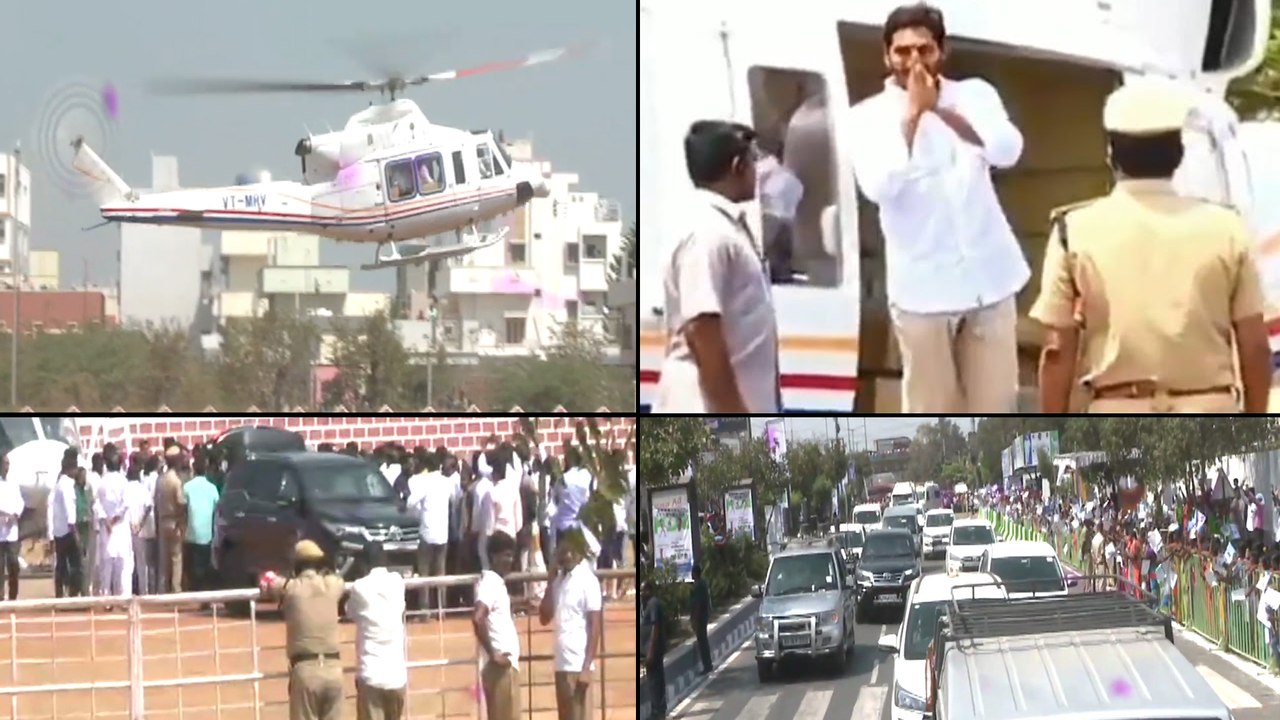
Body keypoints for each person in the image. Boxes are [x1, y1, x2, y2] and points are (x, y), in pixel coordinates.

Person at [1030, 78, 1271, 413]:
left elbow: (1057, 350)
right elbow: (1255, 345)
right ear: (1179, 154)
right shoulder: (1226, 227)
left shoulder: (1074, 230)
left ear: (1111, 155)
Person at [847, 3, 1028, 412]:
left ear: (941, 52)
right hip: (923, 294)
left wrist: (940, 110)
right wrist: (912, 115)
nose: (913, 61)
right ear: (886, 56)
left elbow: (1008, 150)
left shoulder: (975, 95)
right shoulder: (866, 117)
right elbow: (878, 185)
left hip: (990, 281)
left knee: (997, 411)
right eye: (903, 52)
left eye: (924, 50)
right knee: (934, 419)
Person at [654, 119, 780, 413]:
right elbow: (702, 329)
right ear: (738, 166)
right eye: (753, 160)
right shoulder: (707, 232)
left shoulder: (724, 225)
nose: (757, 171)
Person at [261, 540, 346, 720]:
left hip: (305, 670)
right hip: (334, 669)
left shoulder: (291, 589)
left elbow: (270, 581)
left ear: (296, 565)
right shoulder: (332, 585)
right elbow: (339, 579)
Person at [538, 527, 603, 720]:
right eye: (562, 551)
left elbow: (595, 626)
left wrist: (586, 667)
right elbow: (544, 617)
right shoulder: (559, 581)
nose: (566, 556)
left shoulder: (588, 581)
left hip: (578, 666)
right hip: (561, 665)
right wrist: (550, 582)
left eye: (569, 551)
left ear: (579, 550)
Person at [346, 541, 407, 720]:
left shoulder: (360, 587)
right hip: (396, 676)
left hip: (371, 673)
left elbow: (350, 611)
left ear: (364, 563)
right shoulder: (397, 582)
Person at [473, 531, 522, 720]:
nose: (510, 560)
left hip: (501, 667)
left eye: (511, 555)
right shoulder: (491, 582)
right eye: (506, 555)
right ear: (493, 556)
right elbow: (478, 618)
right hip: (501, 668)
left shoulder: (495, 583)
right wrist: (494, 653)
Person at [406, 452, 458, 616]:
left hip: (427, 531)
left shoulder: (425, 482)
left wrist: (416, 514)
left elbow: (411, 502)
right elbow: (455, 499)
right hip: (443, 532)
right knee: (440, 572)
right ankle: (441, 609)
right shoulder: (446, 482)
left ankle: (425, 610)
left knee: (424, 573)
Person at [95, 453, 133, 602]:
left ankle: (106, 598)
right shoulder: (123, 481)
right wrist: (115, 519)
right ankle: (123, 598)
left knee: (107, 564)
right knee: (123, 564)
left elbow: (97, 504)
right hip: (120, 526)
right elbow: (125, 505)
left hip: (108, 527)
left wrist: (106, 520)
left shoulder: (103, 482)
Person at [48, 452, 83, 598]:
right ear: (71, 469)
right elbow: (70, 514)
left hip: (58, 532)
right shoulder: (67, 485)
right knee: (76, 566)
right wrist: (76, 536)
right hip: (68, 532)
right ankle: (73, 596)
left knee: (61, 565)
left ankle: (60, 595)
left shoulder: (57, 486)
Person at [183, 456, 220, 594]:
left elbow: (182, 508)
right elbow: (217, 507)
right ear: (206, 470)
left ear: (193, 469)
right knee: (204, 565)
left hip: (190, 533)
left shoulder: (187, 487)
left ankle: (195, 591)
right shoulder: (212, 488)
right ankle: (204, 593)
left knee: (192, 567)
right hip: (207, 534)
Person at [155, 446, 188, 593]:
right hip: (174, 521)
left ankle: (162, 589)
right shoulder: (176, 481)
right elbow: (180, 503)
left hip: (162, 521)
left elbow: (156, 502)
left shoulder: (160, 480)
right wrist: (182, 521)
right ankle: (176, 589)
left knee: (164, 559)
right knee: (176, 558)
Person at [123, 458, 154, 595]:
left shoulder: (125, 489)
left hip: (127, 528)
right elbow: (148, 507)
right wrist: (140, 524)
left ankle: (128, 591)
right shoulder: (142, 489)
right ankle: (144, 591)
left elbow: (122, 508)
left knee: (128, 562)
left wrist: (130, 524)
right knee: (142, 562)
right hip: (140, 529)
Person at [640, 581, 667, 720]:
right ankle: (657, 709)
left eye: (643, 590)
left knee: (655, 681)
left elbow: (655, 627)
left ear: (649, 590)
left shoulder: (653, 604)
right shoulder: (647, 605)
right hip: (650, 650)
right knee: (654, 680)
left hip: (654, 650)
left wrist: (650, 651)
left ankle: (658, 711)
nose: (641, 593)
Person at [0, 453, 24, 600]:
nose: (7, 466)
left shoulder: (14, 483)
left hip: (12, 532)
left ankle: (13, 596)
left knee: (13, 564)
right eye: (4, 463)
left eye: (8, 463)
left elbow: (20, 503)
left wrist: (15, 514)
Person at [690, 564, 712, 675]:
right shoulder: (702, 583)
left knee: (702, 642)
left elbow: (698, 604)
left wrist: (695, 619)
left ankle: (707, 666)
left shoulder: (698, 586)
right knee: (704, 641)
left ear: (694, 573)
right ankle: (708, 664)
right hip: (704, 616)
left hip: (700, 617)